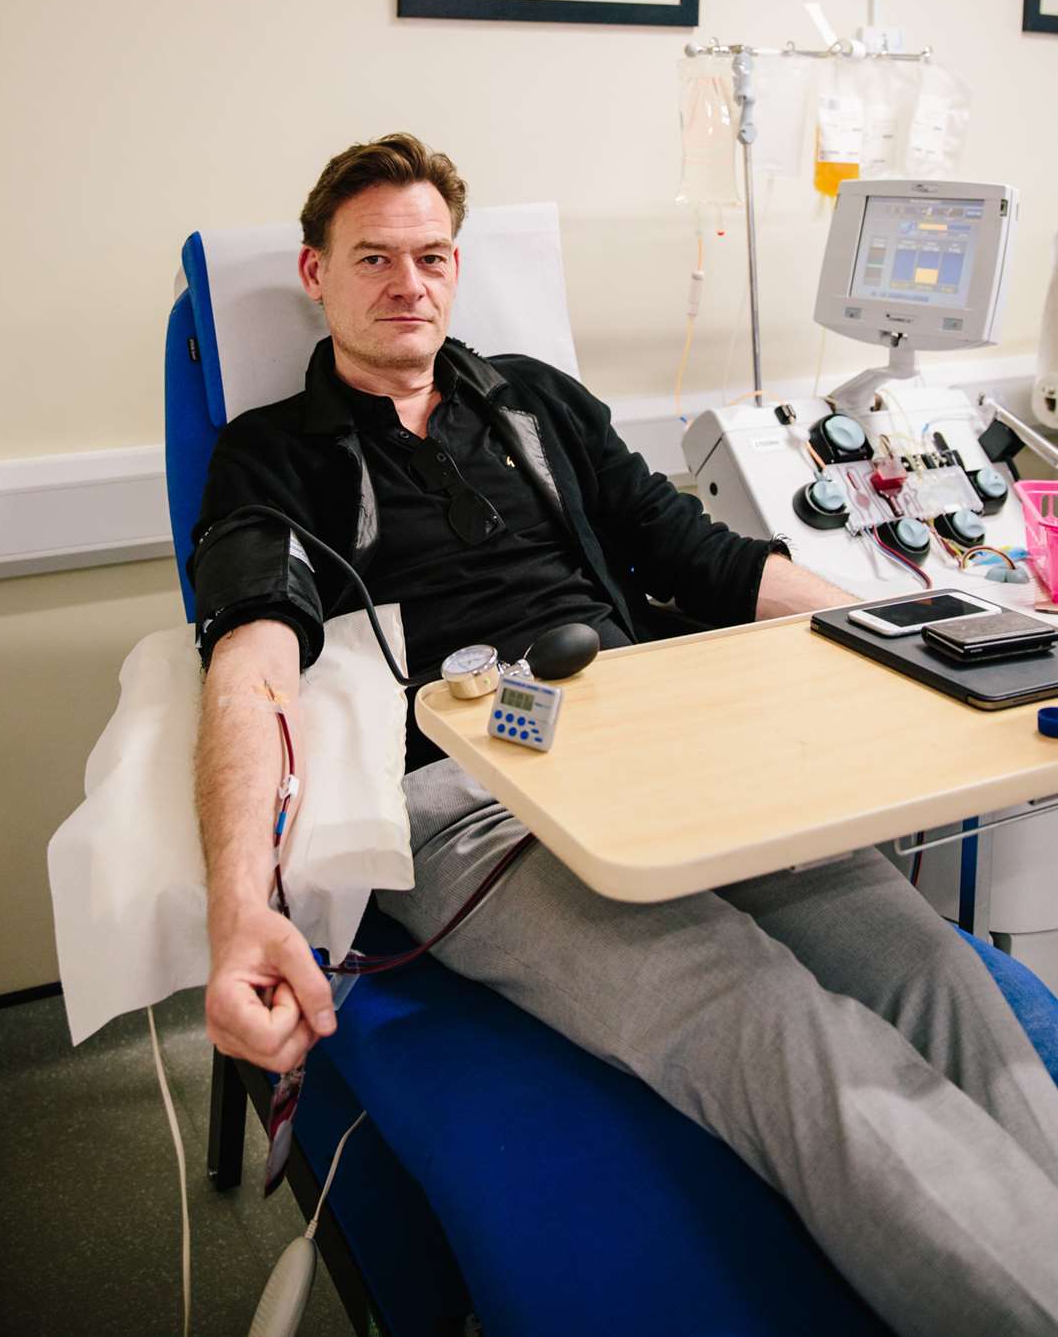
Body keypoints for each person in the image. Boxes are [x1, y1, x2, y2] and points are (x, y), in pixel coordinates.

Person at [192, 133, 1058, 1337]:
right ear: (315, 273)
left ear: (458, 264)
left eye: (431, 256)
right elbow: (252, 661)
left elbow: (703, 559)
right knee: (765, 1025)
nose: (409, 284)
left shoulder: (536, 401)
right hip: (476, 800)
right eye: (373, 258)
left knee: (931, 970)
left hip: (672, 750)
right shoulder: (270, 455)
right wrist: (241, 906)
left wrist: (927, 623)